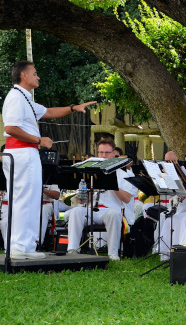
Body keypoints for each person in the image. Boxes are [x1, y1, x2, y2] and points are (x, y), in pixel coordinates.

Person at [2, 61, 96, 260]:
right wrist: (39, 140)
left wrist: (73, 107)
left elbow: (49, 112)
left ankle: (25, 246)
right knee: (22, 200)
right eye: (34, 73)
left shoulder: (24, 98)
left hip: (28, 153)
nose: (38, 77)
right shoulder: (15, 98)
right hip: (21, 153)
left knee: (30, 200)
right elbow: (10, 128)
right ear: (23, 76)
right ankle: (18, 246)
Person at [64, 139, 136, 261]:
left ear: (114, 154)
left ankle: (112, 254)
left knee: (114, 214)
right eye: (101, 152)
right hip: (91, 209)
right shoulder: (89, 172)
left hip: (110, 210)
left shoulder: (124, 174)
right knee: (76, 212)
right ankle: (73, 251)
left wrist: (112, 185)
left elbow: (127, 199)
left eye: (107, 153)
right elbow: (81, 201)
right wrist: (90, 192)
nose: (103, 156)